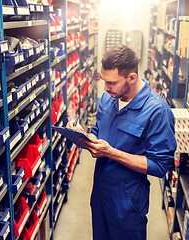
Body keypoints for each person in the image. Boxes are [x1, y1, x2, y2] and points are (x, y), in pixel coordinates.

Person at [68, 45, 177, 240]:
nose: (105, 88)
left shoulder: (157, 111)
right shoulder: (108, 98)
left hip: (127, 203)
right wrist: (84, 137)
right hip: (101, 193)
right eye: (104, 81)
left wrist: (111, 153)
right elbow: (98, 133)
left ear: (132, 78)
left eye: (111, 83)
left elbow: (160, 166)